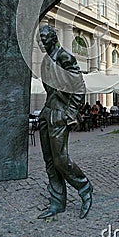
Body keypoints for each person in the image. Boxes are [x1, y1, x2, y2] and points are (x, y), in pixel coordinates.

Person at [37, 25, 93, 220]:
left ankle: (85, 188)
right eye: (40, 38)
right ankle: (57, 202)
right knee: (50, 161)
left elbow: (79, 88)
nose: (42, 41)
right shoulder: (46, 60)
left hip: (60, 114)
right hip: (47, 113)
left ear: (53, 38)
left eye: (45, 37)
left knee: (61, 160)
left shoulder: (65, 57)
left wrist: (70, 113)